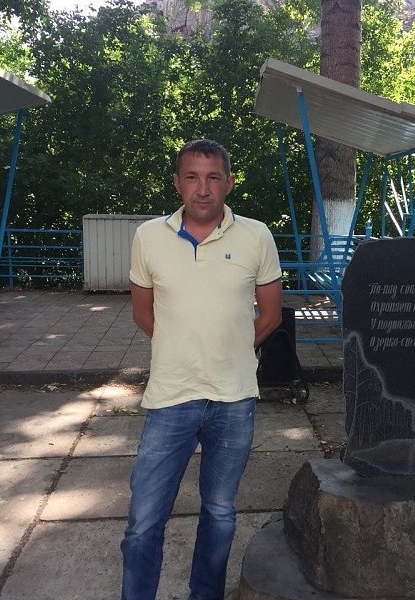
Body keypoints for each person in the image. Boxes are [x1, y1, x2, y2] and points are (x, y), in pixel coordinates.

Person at [121, 139, 282, 600]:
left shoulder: (257, 236)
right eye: (192, 177)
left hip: (234, 400)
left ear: (229, 183)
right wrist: (182, 348)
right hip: (170, 397)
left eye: (213, 177)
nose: (203, 188)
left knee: (220, 513)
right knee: (143, 520)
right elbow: (143, 313)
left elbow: (271, 316)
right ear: (177, 183)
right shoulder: (148, 236)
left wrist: (228, 350)